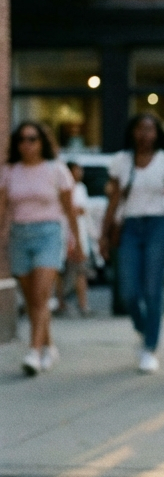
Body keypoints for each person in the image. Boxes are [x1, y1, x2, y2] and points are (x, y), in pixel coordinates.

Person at [0, 121, 84, 375]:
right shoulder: (9, 171)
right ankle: (49, 346)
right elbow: (3, 208)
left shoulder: (56, 169)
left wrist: (76, 241)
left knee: (41, 294)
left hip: (49, 233)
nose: (27, 144)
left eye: (32, 139)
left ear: (42, 142)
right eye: (22, 139)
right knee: (32, 298)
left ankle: (33, 352)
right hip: (19, 234)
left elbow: (69, 209)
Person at [100, 113, 164, 373]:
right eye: (140, 129)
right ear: (132, 132)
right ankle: (144, 329)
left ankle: (150, 347)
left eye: (150, 129)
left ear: (158, 133)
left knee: (152, 288)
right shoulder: (121, 162)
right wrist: (103, 233)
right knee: (128, 291)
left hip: (158, 224)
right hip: (130, 226)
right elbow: (113, 200)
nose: (145, 134)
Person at [56, 162, 92, 317]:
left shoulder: (81, 188)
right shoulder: (61, 188)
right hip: (63, 234)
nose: (80, 172)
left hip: (79, 234)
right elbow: (70, 210)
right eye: (78, 170)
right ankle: (61, 303)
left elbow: (82, 210)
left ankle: (83, 304)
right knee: (59, 272)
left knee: (80, 271)